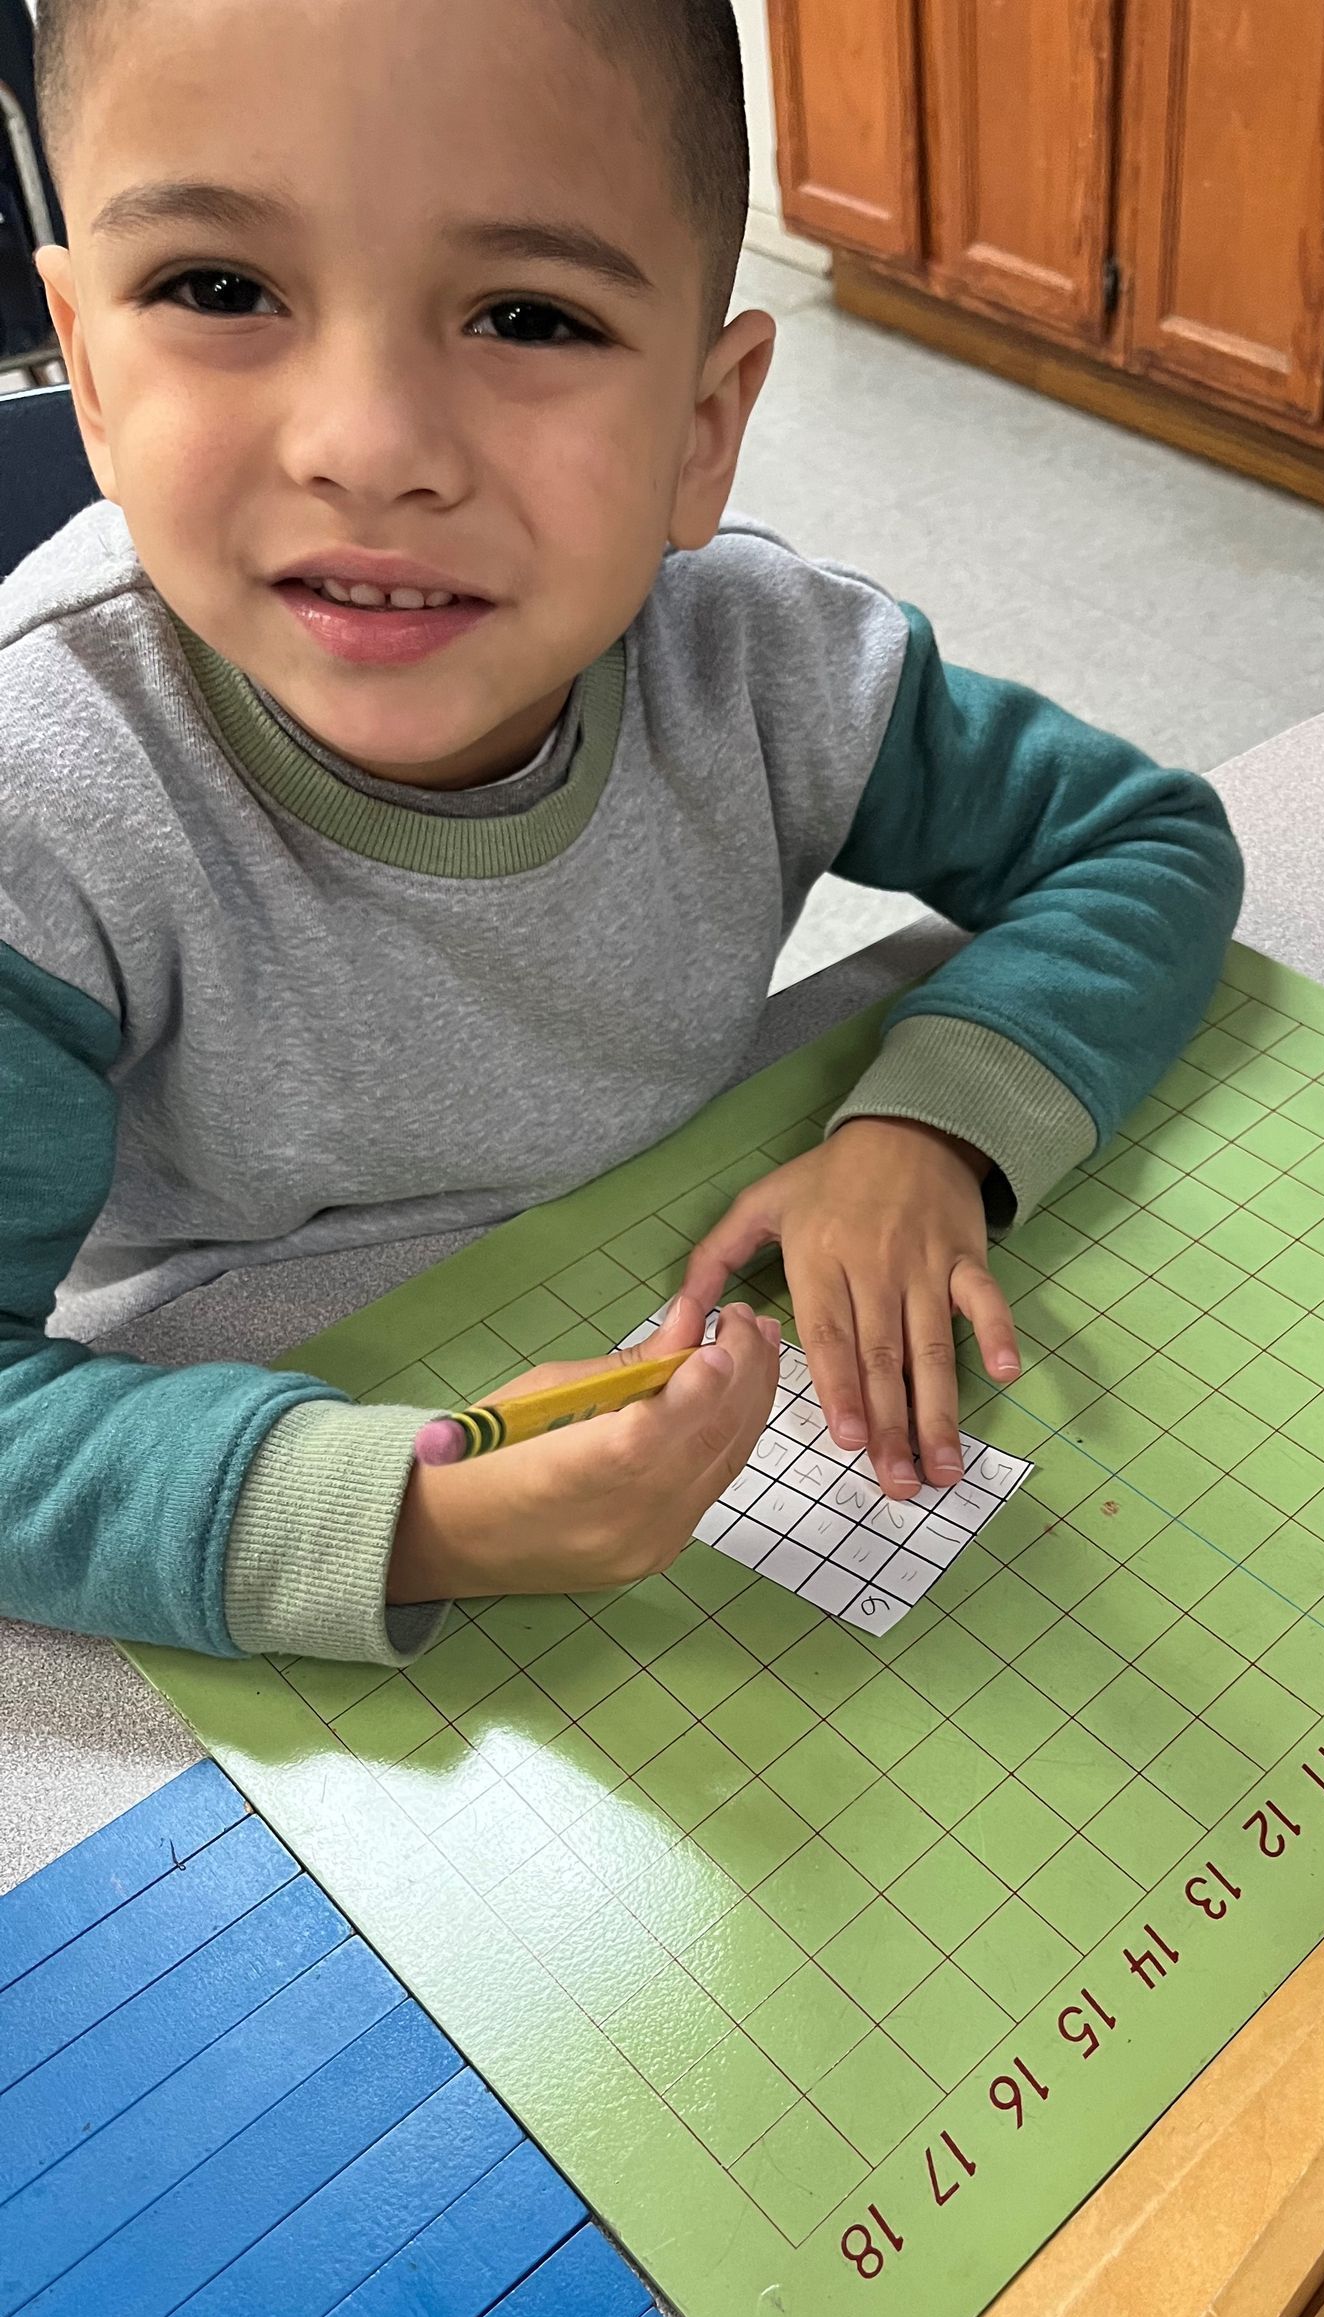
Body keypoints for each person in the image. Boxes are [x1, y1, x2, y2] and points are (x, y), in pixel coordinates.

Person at [1, 0, 1242, 1668]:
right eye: (220, 291)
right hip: (251, 1421)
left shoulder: (773, 664)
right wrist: (407, 1517)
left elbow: (1141, 842)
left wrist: (932, 1133)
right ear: (83, 359)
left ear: (706, 425)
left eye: (525, 315)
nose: (368, 450)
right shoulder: (41, 803)